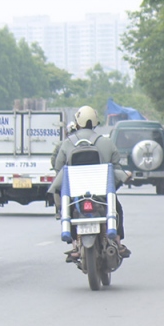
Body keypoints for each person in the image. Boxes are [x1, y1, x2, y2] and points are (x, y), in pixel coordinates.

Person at [51, 105, 130, 259]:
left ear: (77, 122)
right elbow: (116, 167)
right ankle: (118, 243)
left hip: (76, 194)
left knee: (68, 210)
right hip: (101, 194)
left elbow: (58, 167)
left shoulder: (67, 143)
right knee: (117, 209)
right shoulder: (107, 143)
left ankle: (74, 245)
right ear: (95, 122)